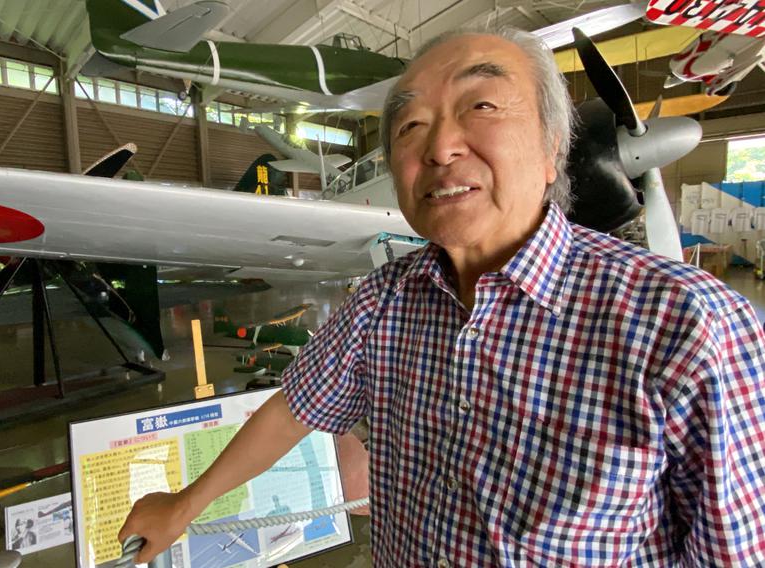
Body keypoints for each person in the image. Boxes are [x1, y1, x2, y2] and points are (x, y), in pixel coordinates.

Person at [119, 27, 765, 566]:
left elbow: (732, 550)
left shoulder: (691, 323)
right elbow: (296, 408)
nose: (440, 146)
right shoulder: (384, 300)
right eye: (410, 126)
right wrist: (185, 504)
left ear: (552, 149)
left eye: (481, 106)